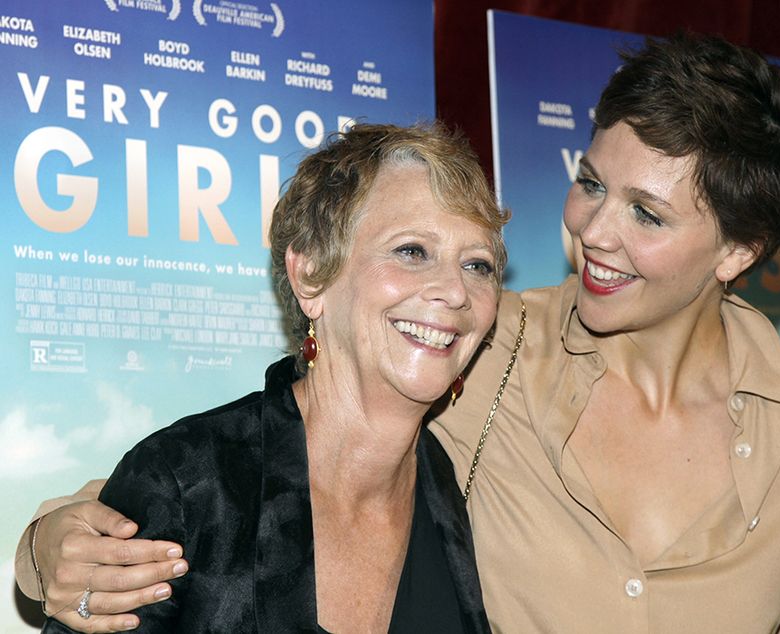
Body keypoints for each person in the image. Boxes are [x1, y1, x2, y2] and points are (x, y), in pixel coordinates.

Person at [17, 33, 780, 633]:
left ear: (739, 251)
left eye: (647, 213)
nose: (594, 231)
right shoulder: (484, 347)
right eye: (592, 184)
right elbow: (249, 472)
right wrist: (44, 542)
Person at [27, 122, 507, 632]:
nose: (455, 291)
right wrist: (37, 543)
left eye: (478, 265)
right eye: (412, 251)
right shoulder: (189, 482)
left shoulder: (451, 484)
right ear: (310, 275)